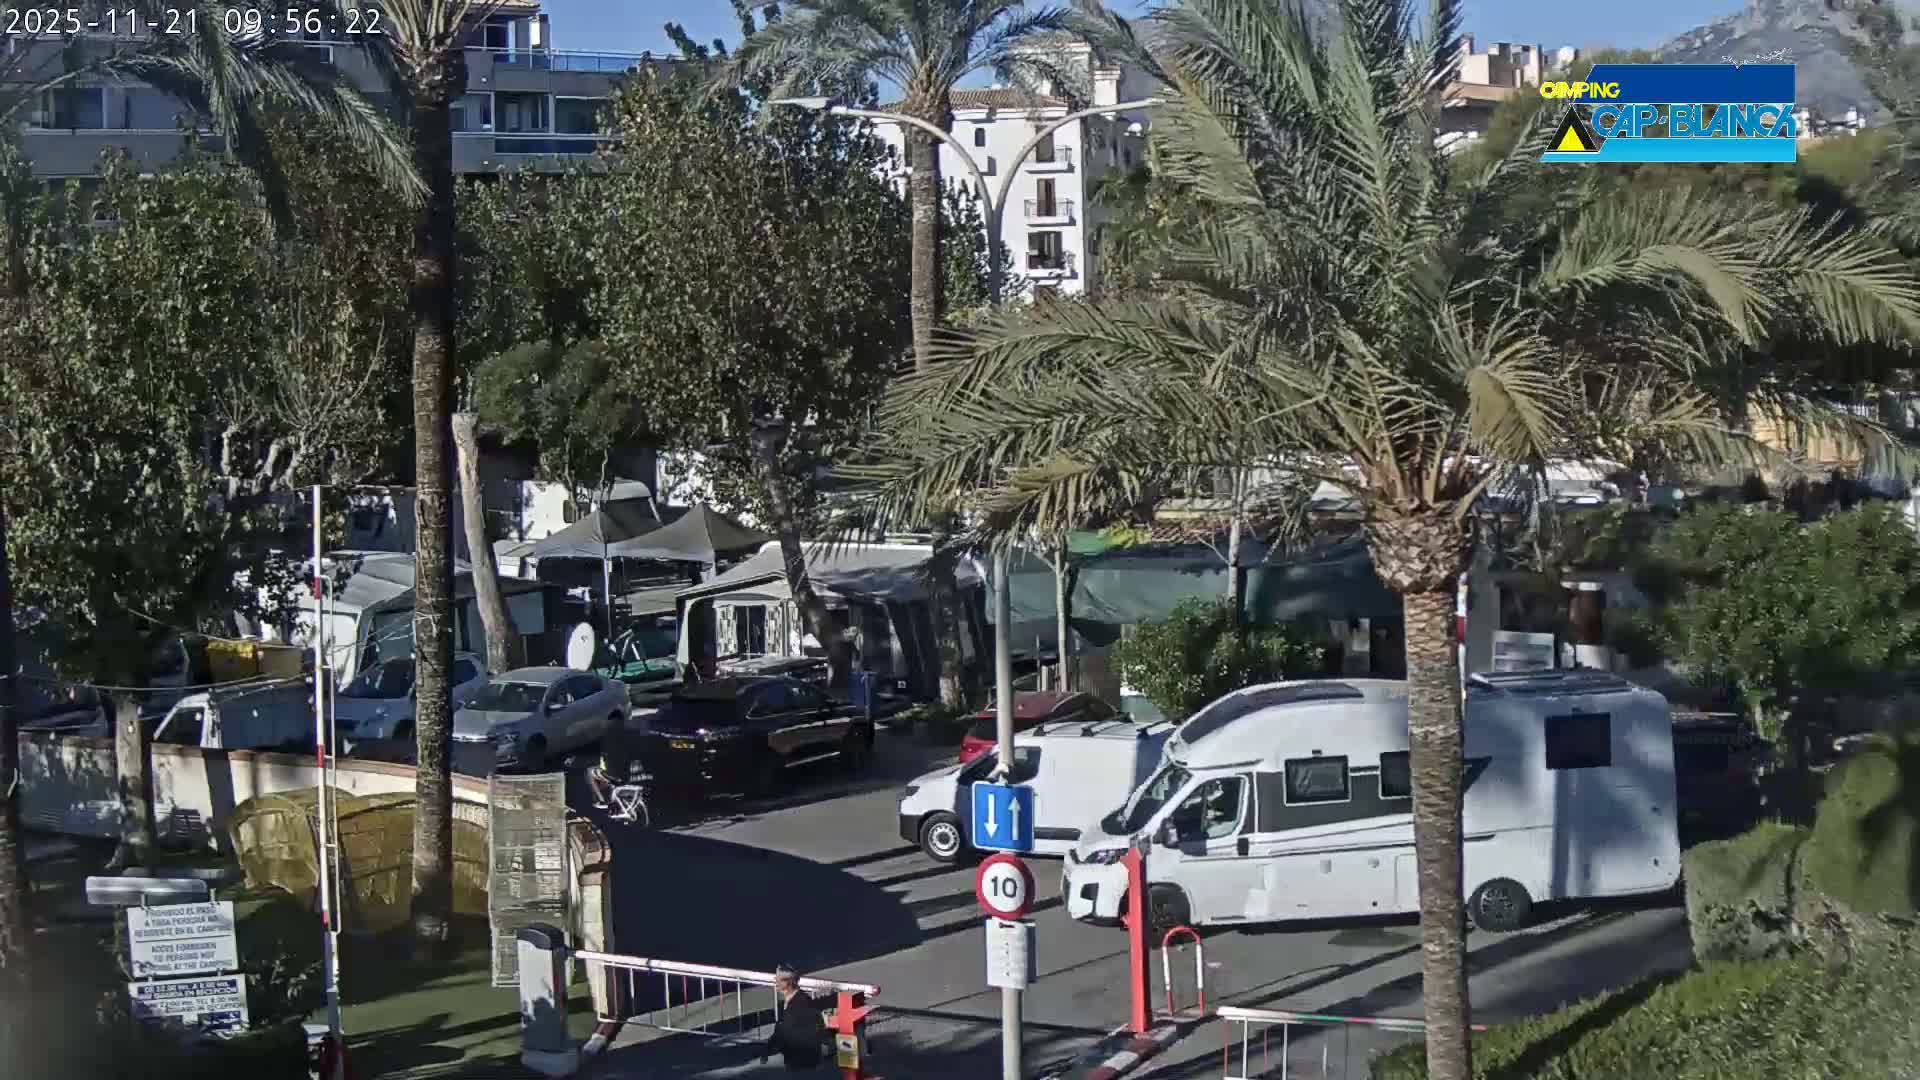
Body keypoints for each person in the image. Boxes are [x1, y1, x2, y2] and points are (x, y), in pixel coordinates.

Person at [762, 964, 827, 1071]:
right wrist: (767, 1051)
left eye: (779, 979)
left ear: (790, 982)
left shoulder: (804, 1002)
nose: (776, 982)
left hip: (805, 1063)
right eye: (776, 978)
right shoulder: (783, 1004)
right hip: (792, 1061)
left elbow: (817, 1030)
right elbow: (780, 1030)